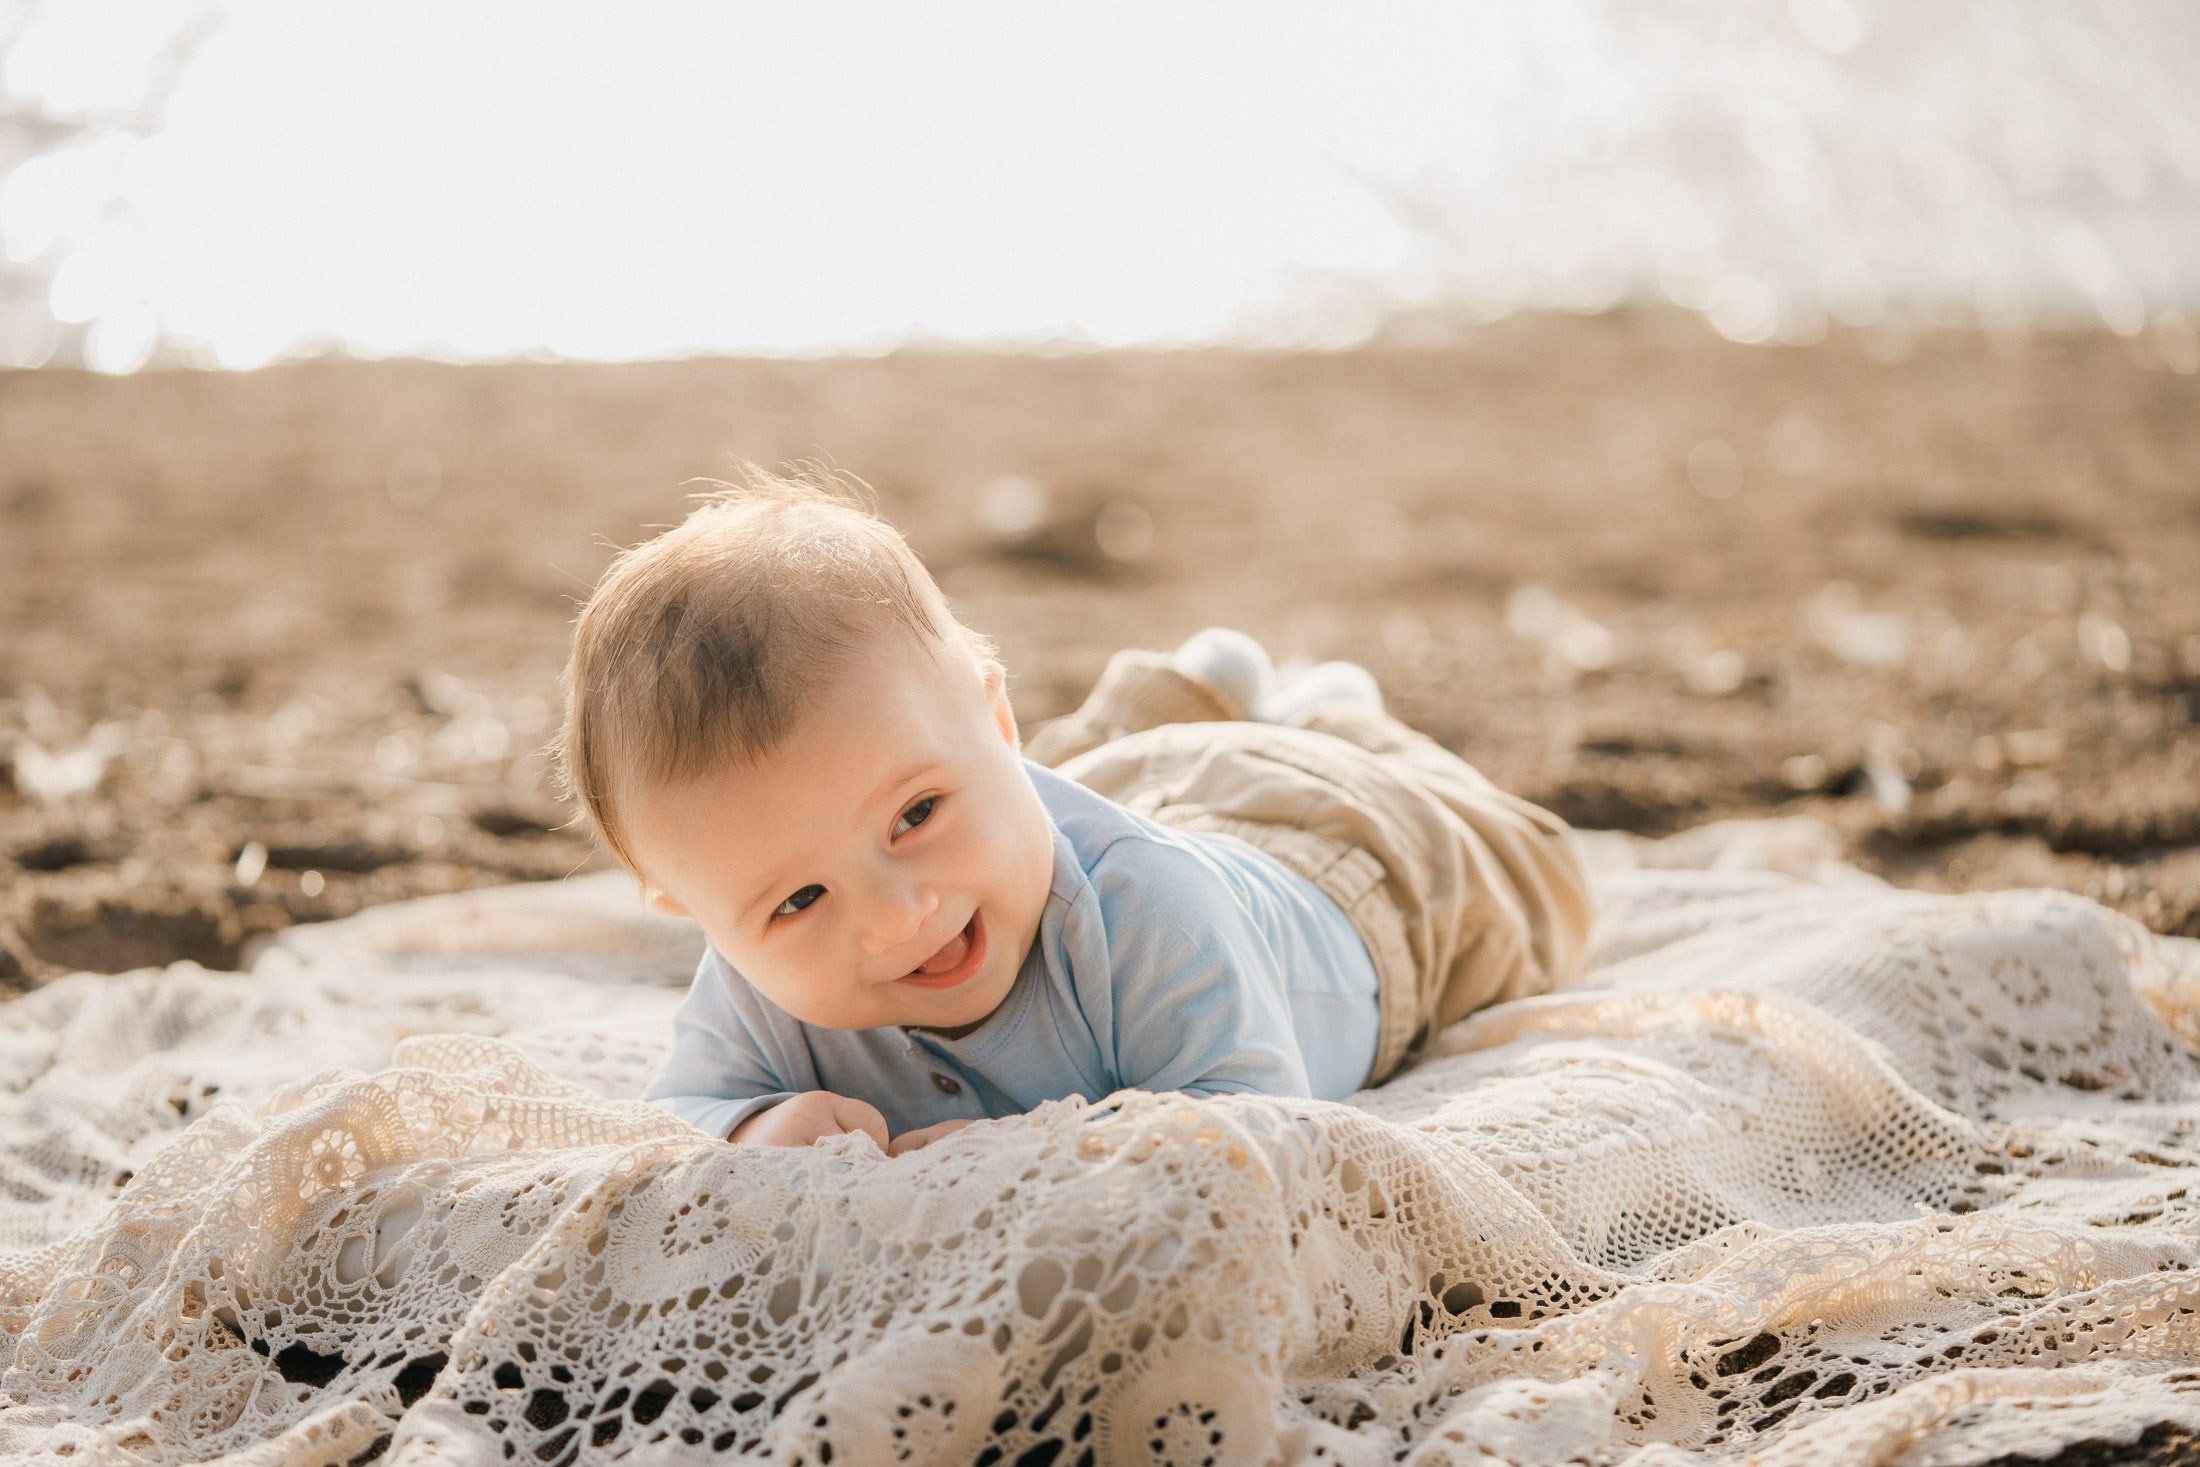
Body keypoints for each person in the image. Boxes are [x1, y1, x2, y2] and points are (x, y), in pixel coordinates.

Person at [555, 471, 1592, 1156]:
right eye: (801, 901)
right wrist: (751, 1128)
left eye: (914, 815)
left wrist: (1020, 1157)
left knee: (1533, 876)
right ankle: (1194, 695)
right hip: (1112, 796)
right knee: (1059, 794)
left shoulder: (1153, 917)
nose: (898, 916)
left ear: (998, 717)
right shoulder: (756, 977)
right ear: (695, 910)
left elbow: (1256, 1135)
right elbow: (676, 1117)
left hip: (1346, 866)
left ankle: (1335, 718)